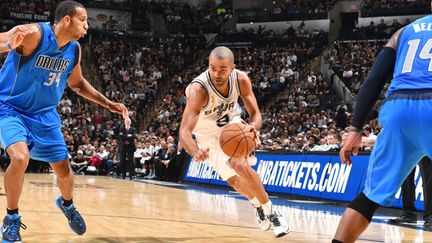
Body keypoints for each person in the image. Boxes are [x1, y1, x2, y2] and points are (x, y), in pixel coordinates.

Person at [0, 1, 129, 242]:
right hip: (9, 109)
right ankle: (11, 219)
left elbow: (77, 84)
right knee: (19, 158)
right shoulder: (34, 34)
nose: (87, 26)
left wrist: (109, 103)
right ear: (67, 20)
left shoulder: (74, 50)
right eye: (83, 20)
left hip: (45, 115)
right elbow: (3, 40)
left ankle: (67, 205)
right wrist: (9, 44)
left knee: (64, 171)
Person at [334, 5, 432, 242]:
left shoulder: (403, 32)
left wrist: (355, 128)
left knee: (368, 198)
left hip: (398, 109)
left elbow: (375, 79)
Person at [179, 46, 289, 238]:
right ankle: (258, 206)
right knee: (233, 180)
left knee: (239, 164)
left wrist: (252, 127)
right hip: (206, 135)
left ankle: (272, 212)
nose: (216, 73)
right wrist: (195, 151)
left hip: (232, 126)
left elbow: (256, 114)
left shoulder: (240, 79)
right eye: (212, 68)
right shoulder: (199, 90)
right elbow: (184, 131)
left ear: (232, 68)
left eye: (222, 69)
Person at [387, 156, 432, 230]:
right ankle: (409, 213)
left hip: (426, 144)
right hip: (410, 144)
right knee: (405, 174)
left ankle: (430, 215)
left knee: (427, 173)